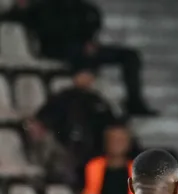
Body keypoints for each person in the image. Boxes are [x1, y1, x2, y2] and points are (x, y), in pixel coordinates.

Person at [3, 0, 157, 116]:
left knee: (130, 56)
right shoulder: (40, 7)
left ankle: (134, 102)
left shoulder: (81, 7)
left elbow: (92, 19)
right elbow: (13, 17)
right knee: (79, 56)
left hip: (83, 48)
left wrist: (90, 41)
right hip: (56, 50)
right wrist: (19, 7)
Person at [82, 123, 134, 194]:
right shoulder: (93, 166)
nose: (116, 144)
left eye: (120, 140)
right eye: (113, 140)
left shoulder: (136, 169)